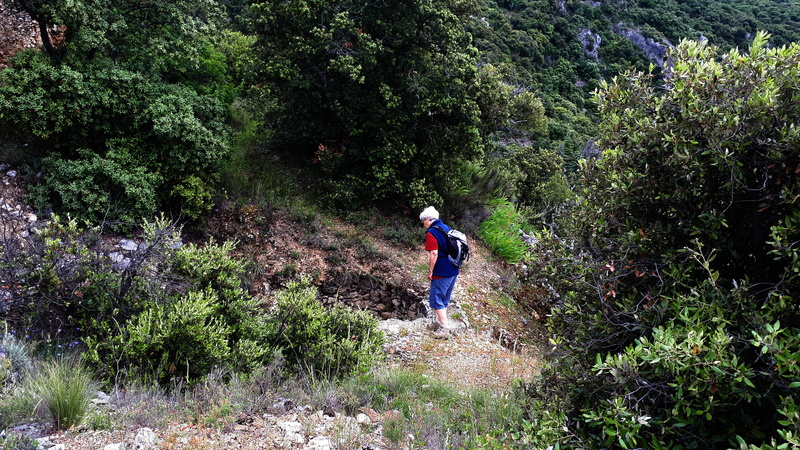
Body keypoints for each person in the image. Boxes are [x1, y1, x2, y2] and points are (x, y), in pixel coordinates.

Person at [419, 206, 459, 333]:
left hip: (442, 270)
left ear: (429, 219)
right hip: (453, 268)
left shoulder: (432, 232)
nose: (423, 223)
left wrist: (431, 271)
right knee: (444, 299)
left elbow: (434, 253)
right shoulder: (446, 228)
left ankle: (445, 327)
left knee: (436, 299)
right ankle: (442, 322)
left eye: (423, 220)